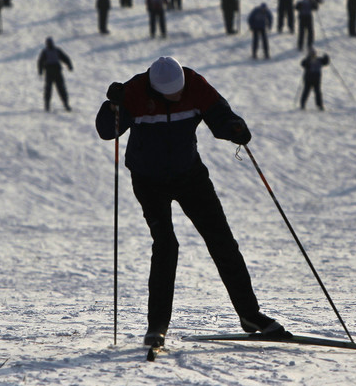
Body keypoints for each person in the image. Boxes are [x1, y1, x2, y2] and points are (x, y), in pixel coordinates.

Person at [94, 56, 288, 348]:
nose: (178, 95)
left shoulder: (193, 84)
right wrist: (112, 107)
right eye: (171, 93)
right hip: (149, 180)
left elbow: (220, 115)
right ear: (156, 89)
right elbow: (108, 131)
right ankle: (156, 326)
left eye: (179, 90)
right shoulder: (134, 92)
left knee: (222, 240)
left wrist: (235, 128)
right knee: (166, 244)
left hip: (189, 175)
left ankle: (250, 315)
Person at [37, 37, 73, 112]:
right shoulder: (47, 51)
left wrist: (69, 65)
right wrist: (40, 70)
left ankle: (65, 104)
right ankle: (48, 105)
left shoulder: (55, 50)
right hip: (51, 73)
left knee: (60, 89)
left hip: (56, 72)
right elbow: (40, 61)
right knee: (49, 89)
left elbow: (65, 58)